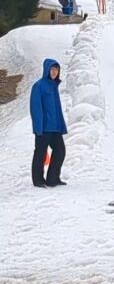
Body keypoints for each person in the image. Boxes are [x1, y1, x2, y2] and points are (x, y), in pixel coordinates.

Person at [29, 59, 68, 188]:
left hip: (55, 127)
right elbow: (36, 108)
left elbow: (57, 109)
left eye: (56, 70)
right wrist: (38, 127)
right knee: (40, 153)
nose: (54, 72)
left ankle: (52, 178)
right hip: (44, 128)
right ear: (46, 70)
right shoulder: (39, 86)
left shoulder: (54, 86)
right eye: (52, 69)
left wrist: (61, 125)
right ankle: (38, 180)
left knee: (60, 150)